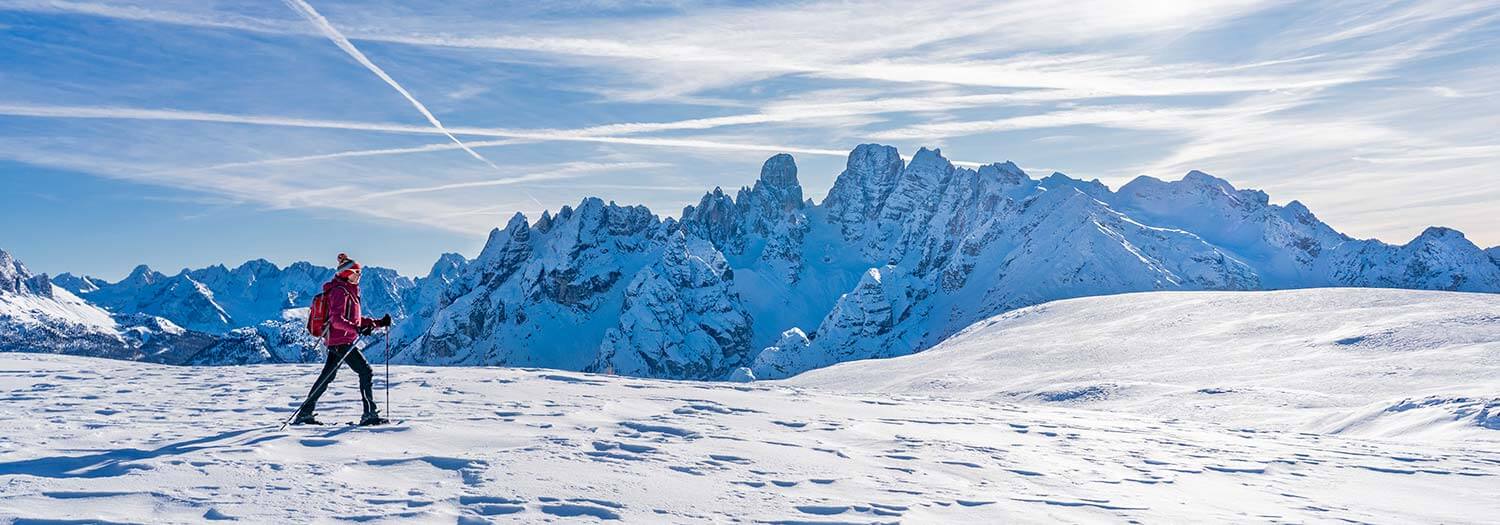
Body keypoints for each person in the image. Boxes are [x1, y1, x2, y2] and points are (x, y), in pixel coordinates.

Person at [293, 253, 393, 426]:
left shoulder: (348, 291)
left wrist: (377, 323)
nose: (359, 276)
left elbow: (355, 320)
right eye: (357, 272)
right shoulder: (340, 291)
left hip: (338, 341)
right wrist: (357, 329)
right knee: (365, 372)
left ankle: (305, 413)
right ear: (348, 273)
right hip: (341, 341)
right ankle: (369, 414)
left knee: (326, 378)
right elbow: (337, 320)